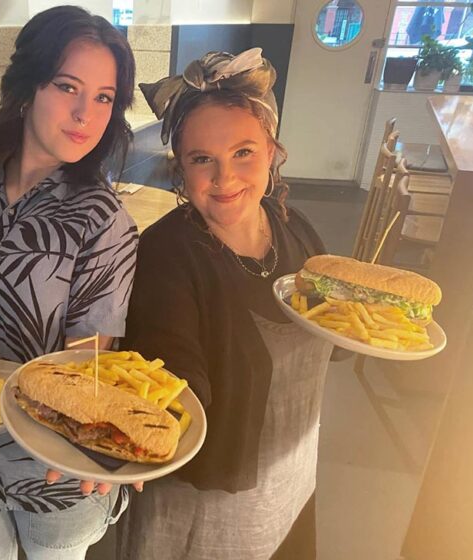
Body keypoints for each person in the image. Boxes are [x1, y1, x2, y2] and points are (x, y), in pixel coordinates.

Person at [0, 6, 139, 559]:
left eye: (105, 97)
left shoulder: (104, 222)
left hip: (52, 475)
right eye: (68, 86)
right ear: (26, 88)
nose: (87, 113)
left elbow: (84, 359)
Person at [118, 48, 331, 559]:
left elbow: (338, 337)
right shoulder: (167, 256)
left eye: (243, 153)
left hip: (292, 478)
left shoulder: (294, 229)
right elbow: (170, 376)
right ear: (180, 169)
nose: (225, 178)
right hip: (206, 510)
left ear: (273, 151)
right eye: (201, 160)